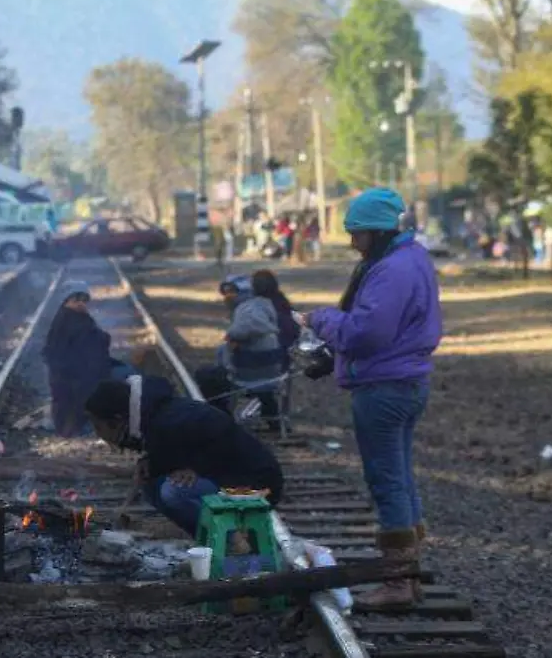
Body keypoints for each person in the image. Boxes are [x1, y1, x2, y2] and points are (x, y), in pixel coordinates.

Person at [299, 187, 441, 609]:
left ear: (377, 233)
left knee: (387, 483)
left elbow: (367, 332)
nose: (352, 242)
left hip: (383, 388)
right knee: (401, 479)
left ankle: (397, 583)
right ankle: (409, 576)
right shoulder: (412, 258)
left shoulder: (391, 269)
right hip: (406, 382)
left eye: (357, 234)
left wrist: (320, 319)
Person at [84, 375, 284, 537]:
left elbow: (221, 431)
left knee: (174, 492)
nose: (98, 433)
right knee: (152, 484)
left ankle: (229, 541)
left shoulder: (165, 422)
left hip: (256, 484)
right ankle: (205, 536)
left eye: (98, 426)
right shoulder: (152, 416)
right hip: (227, 476)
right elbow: (177, 448)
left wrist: (196, 467)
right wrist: (152, 463)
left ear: (118, 420)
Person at [43, 281, 135, 437]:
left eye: (83, 300)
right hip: (75, 375)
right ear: (66, 301)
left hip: (79, 372)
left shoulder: (77, 318)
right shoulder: (68, 321)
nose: (80, 304)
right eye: (76, 300)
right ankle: (79, 427)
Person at [194, 275, 285, 423]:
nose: (227, 298)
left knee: (206, 376)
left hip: (248, 374)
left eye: (231, 293)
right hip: (272, 371)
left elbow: (243, 329)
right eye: (226, 293)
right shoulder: (265, 305)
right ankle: (271, 415)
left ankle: (220, 417)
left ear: (244, 292)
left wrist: (231, 336)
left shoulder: (247, 309)